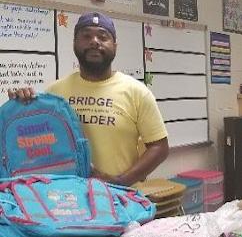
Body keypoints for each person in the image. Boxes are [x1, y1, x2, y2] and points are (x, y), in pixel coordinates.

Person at [8, 12, 169, 186]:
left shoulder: (137, 92)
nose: (94, 41)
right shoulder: (54, 93)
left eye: (102, 36)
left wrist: (120, 181)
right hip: (65, 200)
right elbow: (35, 141)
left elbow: (159, 147)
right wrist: (20, 107)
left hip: (120, 201)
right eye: (86, 36)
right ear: (74, 44)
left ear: (115, 46)